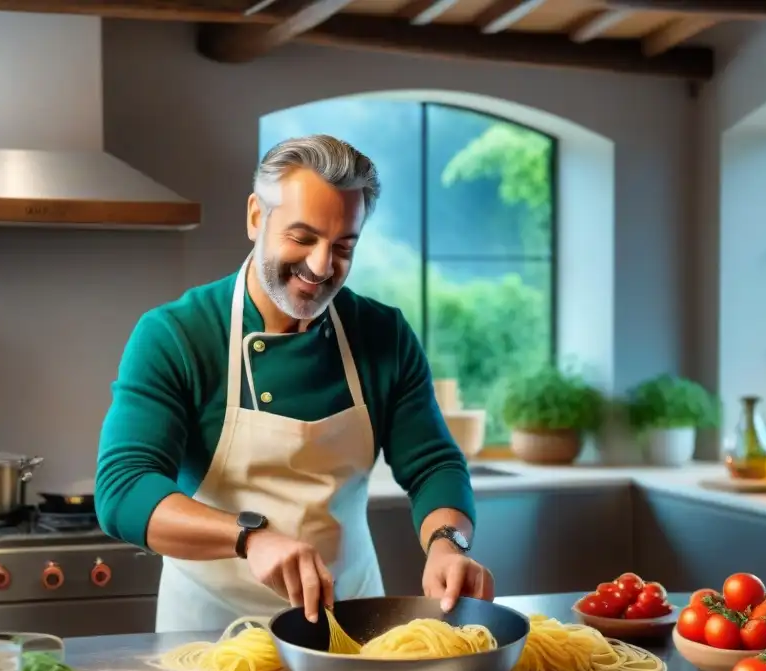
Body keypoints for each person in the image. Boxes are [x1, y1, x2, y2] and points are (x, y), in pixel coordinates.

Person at [95, 134, 494, 633]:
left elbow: (433, 463)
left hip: (349, 624)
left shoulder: (382, 335)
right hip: (211, 635)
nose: (322, 266)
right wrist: (250, 537)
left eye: (343, 246)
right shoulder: (177, 334)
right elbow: (123, 489)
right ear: (256, 217)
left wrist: (447, 544)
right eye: (303, 238)